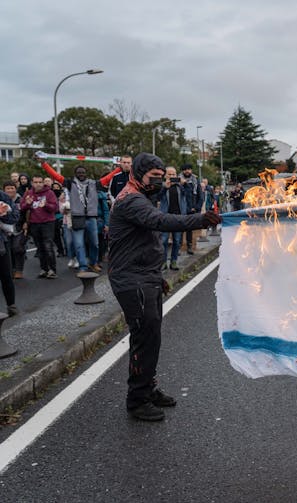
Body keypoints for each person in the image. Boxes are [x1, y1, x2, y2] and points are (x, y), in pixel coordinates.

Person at [108, 152, 221, 421]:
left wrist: (156, 278)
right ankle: (137, 400)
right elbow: (162, 222)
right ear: (137, 174)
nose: (158, 182)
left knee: (152, 338)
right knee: (144, 340)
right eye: (153, 178)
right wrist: (201, 219)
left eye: (161, 178)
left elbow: (141, 241)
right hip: (131, 279)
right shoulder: (131, 200)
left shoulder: (141, 196)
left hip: (144, 276)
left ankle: (148, 388)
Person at [41, 161, 121, 273]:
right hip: (77, 217)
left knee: (95, 243)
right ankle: (83, 266)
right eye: (79, 172)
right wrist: (44, 164)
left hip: (91, 218)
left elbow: (108, 178)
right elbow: (56, 176)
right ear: (75, 174)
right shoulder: (70, 183)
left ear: (86, 173)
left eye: (83, 172)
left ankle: (93, 263)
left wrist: (118, 169)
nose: (81, 174)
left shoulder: (94, 184)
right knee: (79, 244)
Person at [20, 175, 58, 279]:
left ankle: (52, 269)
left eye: (40, 182)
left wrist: (46, 205)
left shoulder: (49, 193)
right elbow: (22, 207)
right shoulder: (28, 193)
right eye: (36, 182)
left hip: (48, 223)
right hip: (34, 223)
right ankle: (44, 269)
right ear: (32, 183)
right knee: (40, 247)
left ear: (43, 183)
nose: (38, 184)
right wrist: (27, 204)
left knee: (48, 246)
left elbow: (55, 208)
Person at [158, 166, 187, 270]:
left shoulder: (180, 186)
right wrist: (165, 187)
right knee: (164, 240)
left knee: (177, 240)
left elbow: (187, 194)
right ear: (165, 175)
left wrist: (183, 184)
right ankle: (164, 262)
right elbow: (158, 197)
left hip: (178, 217)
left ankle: (174, 261)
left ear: (177, 175)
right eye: (169, 174)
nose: (171, 176)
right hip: (165, 217)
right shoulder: (163, 185)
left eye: (173, 174)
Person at [0, 184, 19, 315]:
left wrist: (3, 214)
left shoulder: (3, 197)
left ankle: (11, 305)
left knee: (6, 275)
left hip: (1, 243)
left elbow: (15, 217)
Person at [3, 181, 27, 280]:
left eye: (12, 188)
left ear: (15, 189)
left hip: (19, 228)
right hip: (5, 229)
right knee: (8, 250)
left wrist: (26, 223)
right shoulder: (2, 200)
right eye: (7, 188)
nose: (10, 190)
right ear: (4, 190)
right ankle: (11, 269)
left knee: (18, 248)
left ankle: (19, 270)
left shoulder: (20, 199)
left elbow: (27, 211)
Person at [179, 164, 202, 255]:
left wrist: (196, 207)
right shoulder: (179, 180)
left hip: (192, 209)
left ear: (191, 170)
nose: (187, 171)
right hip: (181, 208)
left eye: (189, 169)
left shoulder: (196, 181)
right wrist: (183, 183)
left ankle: (189, 246)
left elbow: (200, 196)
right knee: (179, 228)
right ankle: (178, 248)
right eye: (185, 169)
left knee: (189, 229)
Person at [51, 182, 66, 257]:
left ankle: (67, 249)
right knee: (56, 236)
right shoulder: (51, 196)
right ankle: (60, 250)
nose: (55, 189)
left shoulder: (64, 195)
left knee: (65, 235)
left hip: (63, 217)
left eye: (57, 187)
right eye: (54, 187)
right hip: (53, 217)